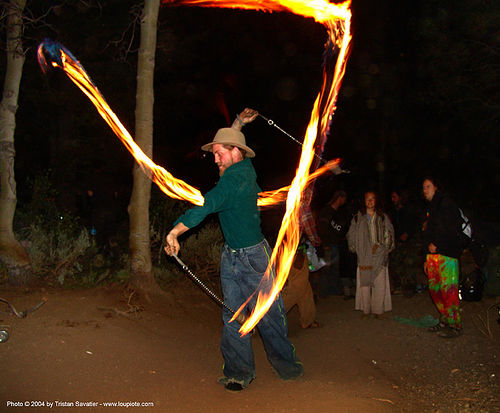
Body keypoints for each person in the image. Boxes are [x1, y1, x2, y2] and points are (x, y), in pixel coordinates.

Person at [164, 108, 303, 392]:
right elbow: (231, 145)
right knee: (233, 316)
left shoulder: (236, 181)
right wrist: (238, 123)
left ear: (236, 152)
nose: (215, 158)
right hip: (232, 257)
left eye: (219, 153)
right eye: (214, 153)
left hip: (254, 258)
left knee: (268, 316)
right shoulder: (242, 168)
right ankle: (239, 372)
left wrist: (175, 231)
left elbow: (206, 205)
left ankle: (287, 367)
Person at [421, 177, 463, 338]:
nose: (425, 190)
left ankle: (456, 325)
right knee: (435, 290)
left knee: (449, 291)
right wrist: (426, 257)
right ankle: (445, 320)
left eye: (428, 187)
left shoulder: (447, 204)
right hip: (433, 256)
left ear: (436, 187)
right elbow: (428, 233)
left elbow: (452, 230)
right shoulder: (432, 207)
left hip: (447, 255)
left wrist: (439, 245)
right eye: (423, 187)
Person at [347, 191, 395, 318]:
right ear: (364, 201)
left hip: (379, 255)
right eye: (367, 199)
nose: (370, 201)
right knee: (364, 284)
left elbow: (389, 233)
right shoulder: (358, 218)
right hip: (364, 256)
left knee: (379, 283)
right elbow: (352, 235)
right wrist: (356, 249)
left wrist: (384, 249)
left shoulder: (382, 217)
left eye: (372, 199)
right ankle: (366, 309)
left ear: (376, 200)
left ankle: (378, 310)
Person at [317, 190, 350, 297]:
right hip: (328, 244)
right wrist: (325, 244)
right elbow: (322, 228)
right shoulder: (327, 211)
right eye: (344, 198)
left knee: (334, 269)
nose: (345, 201)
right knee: (326, 268)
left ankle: (334, 290)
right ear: (340, 197)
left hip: (335, 243)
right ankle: (323, 291)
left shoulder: (337, 212)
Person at [282, 244, 319, 329]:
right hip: (294, 252)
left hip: (293, 251)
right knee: (296, 288)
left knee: (305, 290)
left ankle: (308, 320)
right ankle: (266, 318)